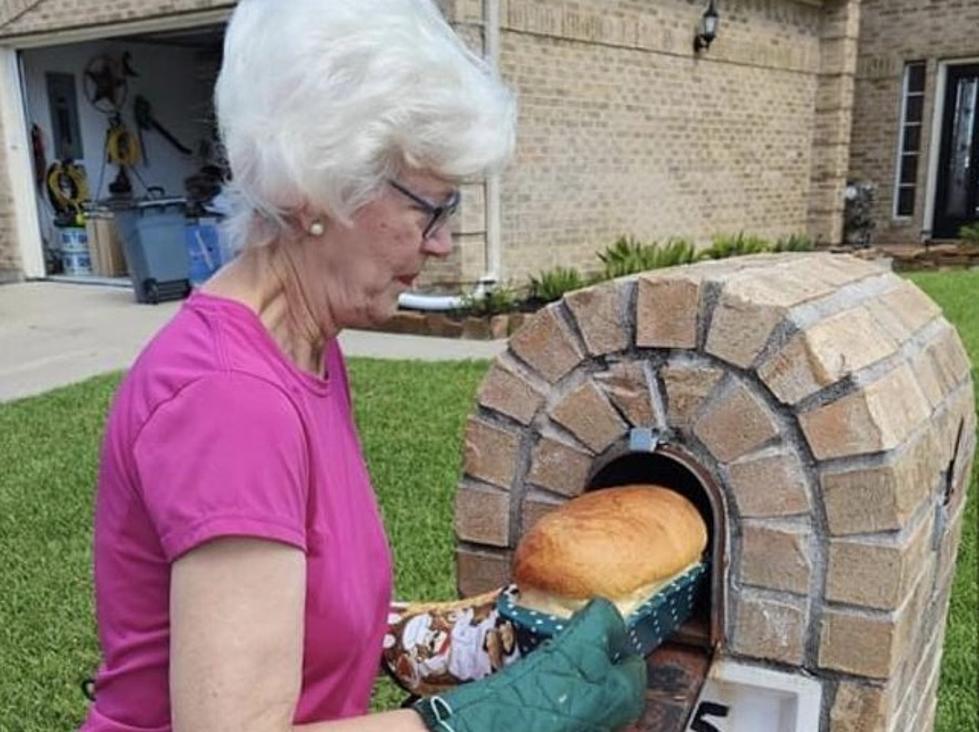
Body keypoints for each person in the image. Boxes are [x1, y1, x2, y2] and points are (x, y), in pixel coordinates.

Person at [79, 1, 647, 730]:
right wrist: (490, 719)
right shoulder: (231, 400)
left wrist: (471, 639)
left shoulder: (303, 348)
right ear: (316, 190)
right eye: (430, 209)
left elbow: (307, 602)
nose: (441, 244)